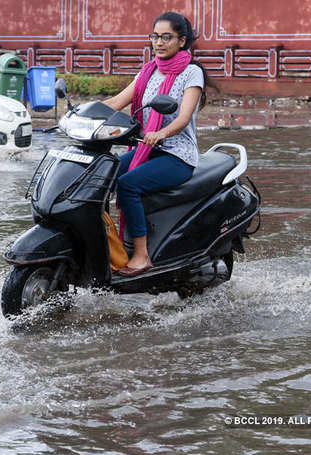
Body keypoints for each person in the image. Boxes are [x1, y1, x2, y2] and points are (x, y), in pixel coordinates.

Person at [103, 11, 215, 277]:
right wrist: (79, 113)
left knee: (127, 184)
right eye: (155, 36)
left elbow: (184, 117)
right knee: (104, 173)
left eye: (167, 37)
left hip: (177, 155)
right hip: (147, 148)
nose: (159, 42)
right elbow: (117, 102)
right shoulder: (148, 70)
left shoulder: (191, 74)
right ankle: (107, 245)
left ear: (182, 41)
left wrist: (161, 133)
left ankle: (141, 256)